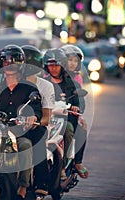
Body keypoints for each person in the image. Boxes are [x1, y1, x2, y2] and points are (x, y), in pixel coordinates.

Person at [0, 44, 43, 199]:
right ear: (1, 64)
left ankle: (23, 186)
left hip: (18, 133)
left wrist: (33, 117)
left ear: (20, 65)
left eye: (13, 62)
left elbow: (37, 110)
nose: (9, 65)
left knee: (26, 146)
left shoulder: (29, 89)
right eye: (6, 62)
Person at [43, 48, 89, 180]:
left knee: (68, 130)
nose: (54, 69)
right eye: (51, 65)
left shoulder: (72, 84)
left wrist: (76, 108)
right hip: (47, 119)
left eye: (57, 65)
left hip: (65, 119)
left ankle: (63, 166)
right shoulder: (44, 83)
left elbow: (81, 102)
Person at [21, 45, 55, 196]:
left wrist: (34, 122)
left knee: (38, 137)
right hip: (14, 125)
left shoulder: (45, 86)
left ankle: (41, 180)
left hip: (36, 126)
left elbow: (46, 118)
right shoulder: (13, 83)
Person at [60, 44, 89, 179]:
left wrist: (77, 109)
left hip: (69, 114)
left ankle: (77, 162)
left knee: (80, 130)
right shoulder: (51, 75)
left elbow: (79, 98)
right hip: (53, 113)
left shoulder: (76, 79)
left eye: (75, 61)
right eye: (69, 60)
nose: (72, 63)